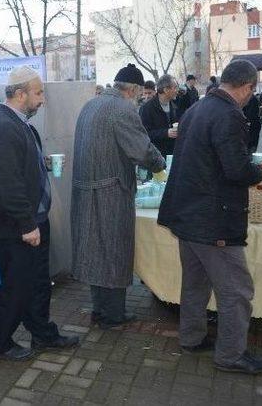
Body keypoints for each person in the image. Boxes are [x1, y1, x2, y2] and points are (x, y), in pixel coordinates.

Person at [158, 60, 262, 375]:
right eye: (253, 90)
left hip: (187, 214)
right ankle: (231, 355)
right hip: (213, 220)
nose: (252, 95)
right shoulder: (229, 114)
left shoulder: (196, 109)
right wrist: (259, 170)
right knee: (236, 291)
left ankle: (191, 338)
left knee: (195, 283)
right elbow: (236, 169)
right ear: (247, 86)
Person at [0, 66, 79, 360]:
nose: (42, 99)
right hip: (16, 226)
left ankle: (42, 335)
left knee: (37, 283)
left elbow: (18, 169)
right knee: (16, 286)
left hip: (31, 221)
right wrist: (26, 224)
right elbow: (6, 183)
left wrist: (40, 163)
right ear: (20, 94)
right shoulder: (3, 127)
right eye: (38, 93)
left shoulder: (19, 124)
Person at [71, 63, 167, 329]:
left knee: (95, 254)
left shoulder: (91, 105)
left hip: (86, 190)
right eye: (139, 93)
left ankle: (100, 310)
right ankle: (113, 315)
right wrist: (160, 166)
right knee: (113, 254)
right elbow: (141, 150)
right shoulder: (123, 109)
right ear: (134, 89)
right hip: (110, 193)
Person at [139, 74, 180, 156]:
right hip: (155, 156)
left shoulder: (174, 104)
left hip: (172, 153)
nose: (177, 90)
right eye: (175, 87)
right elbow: (143, 134)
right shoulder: (147, 108)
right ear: (166, 90)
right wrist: (166, 133)